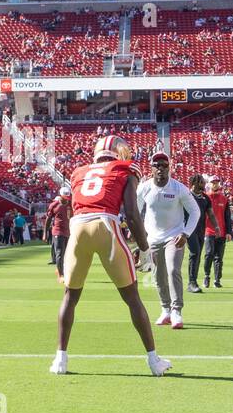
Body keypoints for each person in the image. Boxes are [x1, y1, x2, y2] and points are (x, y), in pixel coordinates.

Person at [51, 135, 170, 378]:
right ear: (120, 152)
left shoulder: (78, 171)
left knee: (70, 297)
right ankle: (153, 361)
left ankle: (60, 360)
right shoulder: (125, 168)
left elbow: (75, 205)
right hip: (106, 224)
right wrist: (145, 249)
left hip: (78, 228)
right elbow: (133, 214)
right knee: (132, 297)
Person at [137, 152, 200, 330]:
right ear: (151, 167)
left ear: (169, 167)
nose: (160, 168)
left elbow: (195, 211)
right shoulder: (144, 188)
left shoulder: (179, 188)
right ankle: (165, 309)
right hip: (153, 238)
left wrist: (186, 233)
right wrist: (137, 233)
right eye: (157, 165)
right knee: (158, 275)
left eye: (164, 165)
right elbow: (135, 209)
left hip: (175, 236)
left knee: (173, 270)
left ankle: (176, 311)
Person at [202, 178, 233, 288]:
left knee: (219, 257)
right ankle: (206, 276)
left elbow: (227, 217)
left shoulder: (224, 199)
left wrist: (229, 232)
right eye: (213, 182)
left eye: (216, 182)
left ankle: (217, 280)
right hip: (208, 231)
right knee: (209, 254)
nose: (215, 184)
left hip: (222, 232)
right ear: (209, 184)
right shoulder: (204, 197)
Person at [185, 174, 212, 293]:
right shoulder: (186, 196)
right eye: (201, 182)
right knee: (194, 253)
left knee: (197, 255)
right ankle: (191, 282)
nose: (204, 185)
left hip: (201, 230)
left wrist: (216, 226)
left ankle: (193, 281)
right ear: (194, 183)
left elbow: (210, 213)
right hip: (188, 230)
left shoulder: (205, 198)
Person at [47, 185, 71, 282]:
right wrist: (45, 233)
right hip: (57, 231)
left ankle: (59, 269)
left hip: (68, 231)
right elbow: (48, 219)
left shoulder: (71, 204)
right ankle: (61, 275)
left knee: (66, 253)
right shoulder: (54, 205)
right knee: (59, 252)